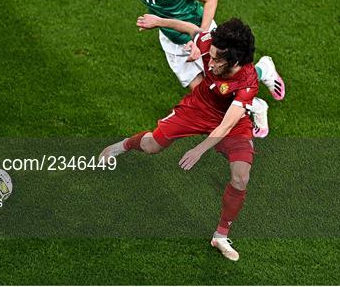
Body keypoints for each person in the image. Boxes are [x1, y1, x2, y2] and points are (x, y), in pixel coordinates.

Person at [101, 15, 261, 261]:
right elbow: (191, 29)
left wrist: (199, 149)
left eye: (217, 59)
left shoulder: (247, 82)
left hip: (232, 120)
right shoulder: (212, 44)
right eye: (212, 55)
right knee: (152, 145)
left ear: (235, 61)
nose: (211, 60)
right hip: (199, 108)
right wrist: (158, 21)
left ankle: (220, 236)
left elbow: (227, 125)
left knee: (241, 177)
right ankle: (120, 146)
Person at [123, 0, 285, 137]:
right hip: (171, 40)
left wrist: (201, 39)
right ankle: (256, 104)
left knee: (226, 79)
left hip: (199, 31)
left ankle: (263, 72)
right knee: (207, 93)